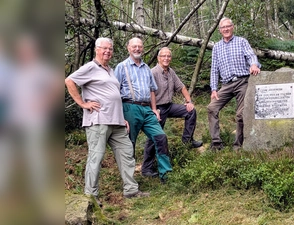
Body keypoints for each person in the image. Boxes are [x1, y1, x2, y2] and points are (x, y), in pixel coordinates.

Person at [65, 37, 149, 202]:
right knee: (96, 157)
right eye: (104, 48)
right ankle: (90, 196)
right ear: (97, 49)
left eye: (110, 49)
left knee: (126, 153)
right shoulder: (90, 67)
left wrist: (122, 118)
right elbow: (69, 81)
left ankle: (131, 190)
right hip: (98, 120)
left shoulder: (109, 70)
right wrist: (82, 103)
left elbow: (114, 95)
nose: (107, 52)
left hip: (117, 121)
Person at [114, 37, 172, 183]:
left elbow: (152, 90)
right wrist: (120, 115)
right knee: (129, 143)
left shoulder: (146, 68)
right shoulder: (122, 67)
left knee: (160, 137)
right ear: (128, 48)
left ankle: (165, 173)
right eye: (134, 46)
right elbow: (114, 91)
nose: (137, 49)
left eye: (140, 46)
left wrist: (154, 109)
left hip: (146, 108)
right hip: (129, 107)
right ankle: (129, 180)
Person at [142, 47, 203, 176]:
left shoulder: (171, 72)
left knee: (190, 112)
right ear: (158, 58)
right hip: (157, 108)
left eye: (168, 56)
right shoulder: (152, 73)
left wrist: (189, 101)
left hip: (169, 106)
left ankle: (187, 141)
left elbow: (181, 87)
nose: (166, 58)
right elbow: (147, 92)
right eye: (163, 56)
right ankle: (146, 168)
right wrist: (153, 110)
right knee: (155, 137)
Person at [208, 17, 261, 151]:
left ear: (232, 27)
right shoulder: (216, 47)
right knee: (211, 108)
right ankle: (216, 143)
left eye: (228, 26)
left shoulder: (241, 41)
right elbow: (214, 69)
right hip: (226, 85)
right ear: (220, 30)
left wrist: (254, 64)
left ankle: (238, 145)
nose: (225, 29)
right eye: (223, 27)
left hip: (242, 82)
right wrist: (214, 89)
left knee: (240, 114)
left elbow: (251, 56)